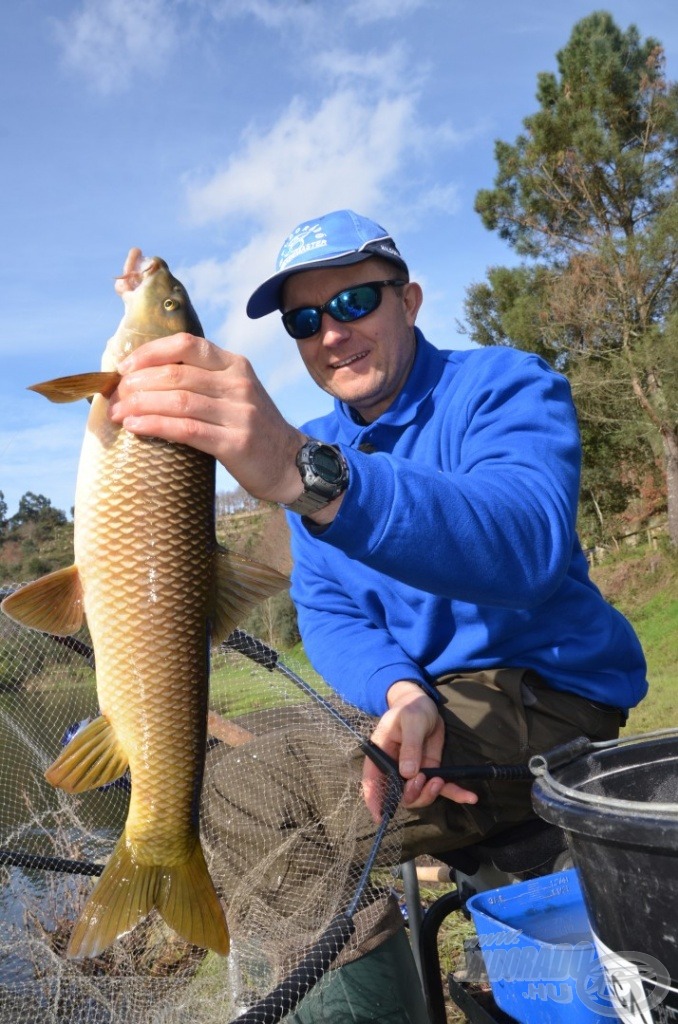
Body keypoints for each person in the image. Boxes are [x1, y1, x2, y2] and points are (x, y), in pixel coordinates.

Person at [108, 210, 647, 1023]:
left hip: (548, 688)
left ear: (411, 300)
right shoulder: (322, 445)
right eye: (306, 319)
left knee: (272, 817)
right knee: (232, 787)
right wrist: (399, 690)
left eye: (356, 300)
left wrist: (303, 471)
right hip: (427, 706)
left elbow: (527, 542)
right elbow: (329, 614)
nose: (333, 333)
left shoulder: (502, 385)